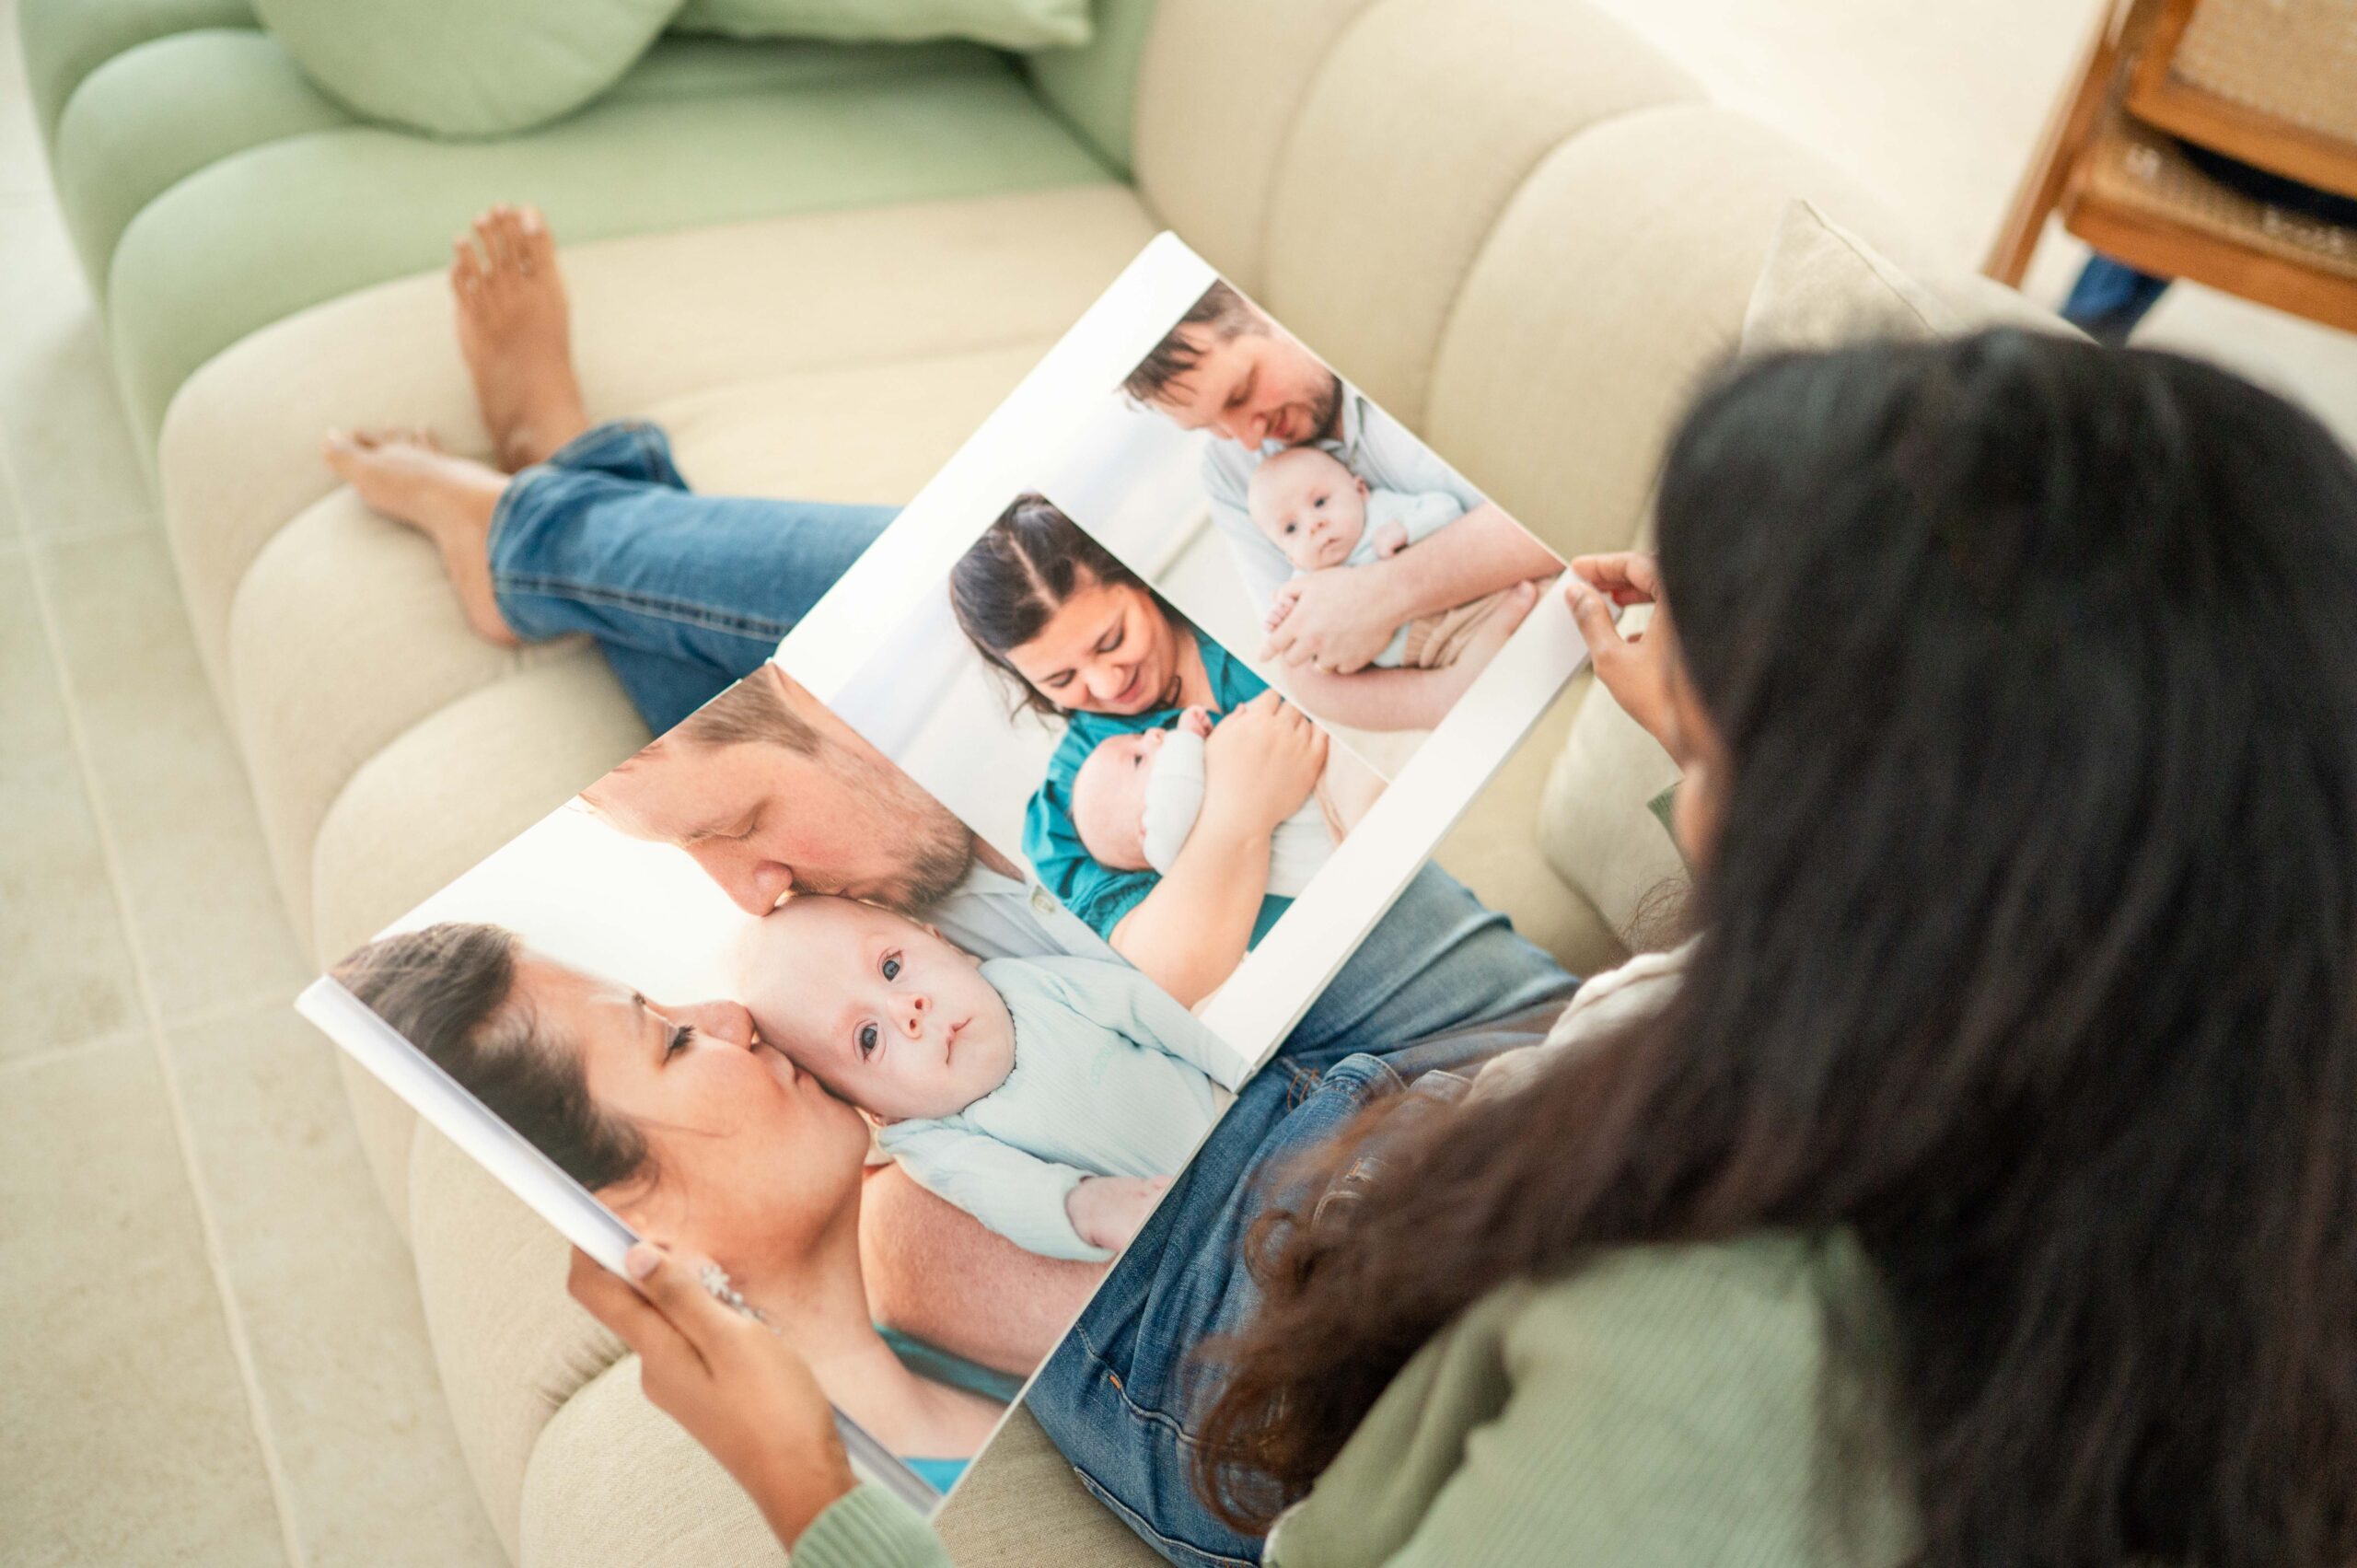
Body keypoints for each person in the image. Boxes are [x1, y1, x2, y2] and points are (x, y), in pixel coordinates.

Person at [575, 329, 2357, 1568]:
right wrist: (1708, 755)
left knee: (903, 1202)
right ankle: (575, 544)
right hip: (1538, 1078)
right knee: (877, 776)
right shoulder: (2197, 1019)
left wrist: (808, 1490)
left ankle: (552, 531)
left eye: (1736, 724)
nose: (1684, 764)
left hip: (1312, 1340)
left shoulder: (1704, 1398)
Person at [331, 923, 1003, 1493]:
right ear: (632, 1226)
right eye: (675, 1040)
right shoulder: (893, 1498)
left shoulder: (971, 1323)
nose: (733, 1016)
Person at [951, 492, 1533, 1008]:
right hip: (1309, 1005)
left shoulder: (1256, 616)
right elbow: (1164, 973)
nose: (1106, 684)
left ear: (1137, 579)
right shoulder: (1071, 802)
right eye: (1060, 679)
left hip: (1424, 903)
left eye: (1112, 640)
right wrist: (1240, 808)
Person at [1121, 281, 1561, 727]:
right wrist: (1449, 698)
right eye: (1210, 427)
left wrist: (1381, 594)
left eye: (1240, 393)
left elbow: (1558, 510)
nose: (1249, 441)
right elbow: (1301, 665)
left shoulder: (1405, 337)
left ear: (1264, 308)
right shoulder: (1228, 472)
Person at [733, 892, 1232, 1262]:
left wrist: (1239, 1065)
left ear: (942, 942)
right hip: (1182, 1230)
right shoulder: (928, 1139)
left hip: (1234, 1112)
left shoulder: (1027, 983)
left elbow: (1146, 1008)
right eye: (868, 1037)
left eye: (891, 968)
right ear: (875, 1111)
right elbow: (1001, 1190)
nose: (908, 1009)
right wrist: (1088, 1206)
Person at [1248, 447, 1513, 673]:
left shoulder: (1382, 512)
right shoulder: (1305, 581)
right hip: (1421, 654)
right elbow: (1294, 637)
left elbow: (1447, 508)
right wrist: (1282, 615)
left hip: (1460, 601)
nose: (1314, 525)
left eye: (1320, 503)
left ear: (1360, 491)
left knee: (1503, 621)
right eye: (1291, 528)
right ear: (1290, 557)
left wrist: (1407, 528)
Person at [1071, 706, 1338, 897]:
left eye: (1139, 736)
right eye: (1137, 759)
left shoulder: (1193, 787)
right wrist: (1186, 735)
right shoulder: (1166, 850)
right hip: (1333, 839)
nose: (1153, 733)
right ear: (1145, 829)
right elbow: (1175, 795)